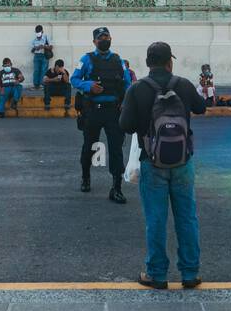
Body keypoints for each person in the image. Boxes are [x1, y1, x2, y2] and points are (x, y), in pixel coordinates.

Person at [120, 40, 206, 290]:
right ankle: (190, 273)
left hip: (152, 161)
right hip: (183, 161)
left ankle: (157, 274)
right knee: (187, 217)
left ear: (148, 63)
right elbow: (201, 107)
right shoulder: (183, 84)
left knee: (156, 219)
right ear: (170, 62)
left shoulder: (137, 89)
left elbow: (124, 126)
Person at [72, 26, 133, 202]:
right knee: (89, 146)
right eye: (100, 38)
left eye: (106, 37)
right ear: (94, 42)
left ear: (111, 38)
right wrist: (88, 85)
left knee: (116, 149)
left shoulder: (118, 60)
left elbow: (127, 83)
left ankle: (116, 187)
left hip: (113, 111)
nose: (104, 40)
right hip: (93, 110)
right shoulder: (86, 59)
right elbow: (74, 79)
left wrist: (125, 103)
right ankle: (85, 176)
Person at [30, 24, 52, 89]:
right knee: (36, 70)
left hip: (44, 55)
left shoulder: (46, 37)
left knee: (44, 70)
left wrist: (44, 46)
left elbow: (51, 47)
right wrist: (35, 48)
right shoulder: (34, 40)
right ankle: (36, 84)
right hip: (36, 56)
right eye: (37, 32)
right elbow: (32, 50)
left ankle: (42, 84)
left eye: (39, 32)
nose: (38, 33)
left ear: (42, 31)